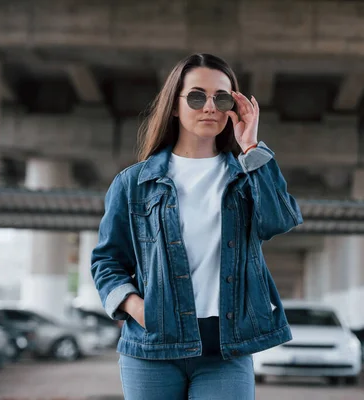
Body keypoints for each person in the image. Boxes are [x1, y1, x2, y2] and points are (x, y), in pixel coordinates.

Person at [91, 53, 303, 399]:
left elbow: (279, 219)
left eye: (221, 98)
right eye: (196, 96)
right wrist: (136, 307)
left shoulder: (246, 177)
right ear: (175, 106)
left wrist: (250, 146)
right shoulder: (134, 183)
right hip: (153, 347)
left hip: (226, 349)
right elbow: (107, 261)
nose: (209, 107)